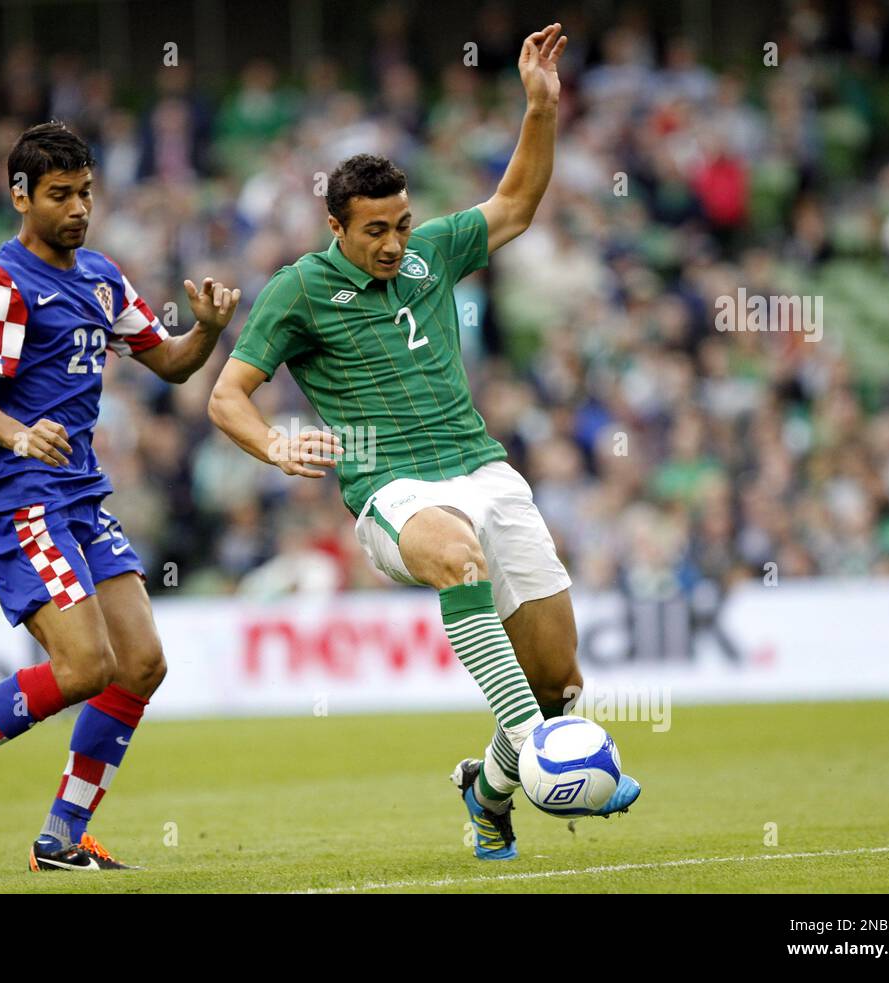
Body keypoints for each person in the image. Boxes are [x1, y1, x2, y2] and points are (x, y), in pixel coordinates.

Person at [208, 25, 638, 861]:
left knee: (558, 678)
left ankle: (488, 788)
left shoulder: (432, 252)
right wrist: (276, 447)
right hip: (392, 490)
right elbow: (229, 396)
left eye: (402, 224)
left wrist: (539, 110)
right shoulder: (298, 288)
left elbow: (515, 202)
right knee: (456, 552)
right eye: (375, 230)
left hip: (482, 465)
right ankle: (548, 752)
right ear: (336, 224)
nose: (395, 242)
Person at [0, 121, 241, 871]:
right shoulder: (3, 281)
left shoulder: (101, 277)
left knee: (140, 663)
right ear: (21, 196)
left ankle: (62, 837)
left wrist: (205, 331)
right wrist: (16, 434)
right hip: (20, 496)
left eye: (86, 193)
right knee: (83, 667)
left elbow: (170, 363)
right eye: (60, 195)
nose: (78, 208)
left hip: (79, 497)